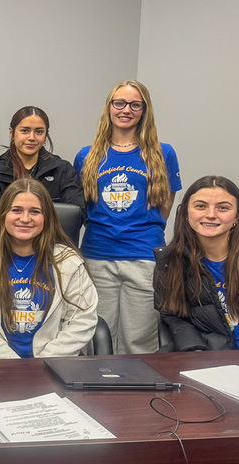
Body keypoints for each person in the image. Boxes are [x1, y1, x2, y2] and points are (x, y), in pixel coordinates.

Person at [74, 80, 181, 356]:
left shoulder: (163, 153)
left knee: (139, 342)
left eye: (135, 104)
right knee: (97, 340)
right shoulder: (87, 156)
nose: (126, 110)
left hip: (143, 257)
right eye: (119, 103)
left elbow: (166, 204)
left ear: (144, 110)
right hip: (97, 255)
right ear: (109, 108)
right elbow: (81, 208)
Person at [0, 179, 98, 358]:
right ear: (3, 215)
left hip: (53, 364)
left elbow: (82, 320)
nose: (25, 219)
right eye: (16, 210)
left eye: (35, 212)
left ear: (47, 218)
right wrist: (11, 363)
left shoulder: (68, 261)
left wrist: (43, 363)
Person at [155, 176, 239, 351]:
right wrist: (194, 349)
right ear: (186, 214)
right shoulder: (170, 263)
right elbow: (173, 315)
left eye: (223, 208)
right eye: (201, 206)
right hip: (213, 358)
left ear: (237, 217)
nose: (211, 215)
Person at [0, 106, 85, 214]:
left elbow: (75, 214)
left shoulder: (63, 170)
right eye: (25, 131)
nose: (32, 137)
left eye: (39, 132)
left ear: (45, 135)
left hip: (52, 231)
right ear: (12, 133)